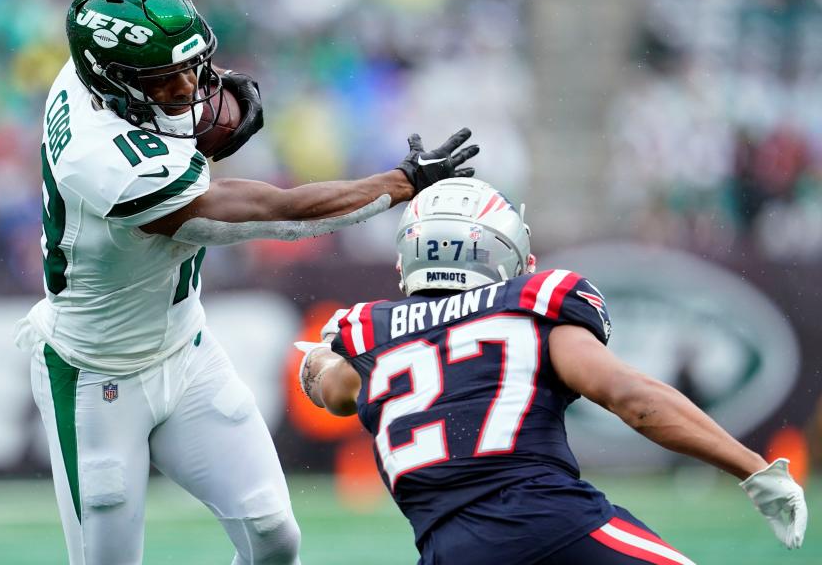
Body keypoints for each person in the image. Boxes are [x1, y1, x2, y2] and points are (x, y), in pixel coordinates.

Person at [13, 0, 479, 565]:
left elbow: (174, 115)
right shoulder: (101, 162)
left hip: (186, 350)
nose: (189, 87)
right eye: (166, 81)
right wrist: (399, 183)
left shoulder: (94, 77)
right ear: (113, 81)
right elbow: (276, 214)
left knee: (274, 536)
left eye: (192, 67)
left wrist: (194, 101)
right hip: (92, 377)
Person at [297, 177, 808, 565]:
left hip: (444, 548)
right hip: (548, 523)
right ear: (502, 250)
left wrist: (316, 360)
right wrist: (753, 469)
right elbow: (633, 398)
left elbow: (331, 389)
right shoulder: (531, 306)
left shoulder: (370, 333)